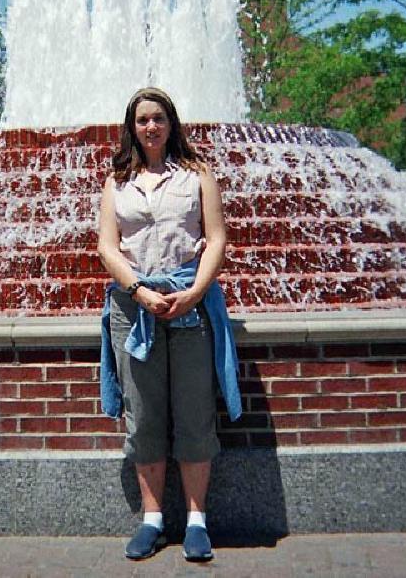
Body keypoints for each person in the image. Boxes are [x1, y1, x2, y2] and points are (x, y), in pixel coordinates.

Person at [98, 87, 241, 562]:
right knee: (143, 416)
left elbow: (217, 238)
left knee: (195, 412)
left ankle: (197, 520)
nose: (151, 127)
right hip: (133, 307)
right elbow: (107, 247)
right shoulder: (117, 180)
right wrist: (138, 289)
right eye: (142, 120)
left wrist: (195, 293)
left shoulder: (198, 174)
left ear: (171, 122)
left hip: (190, 305)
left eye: (158, 118)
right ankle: (153, 519)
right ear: (131, 127)